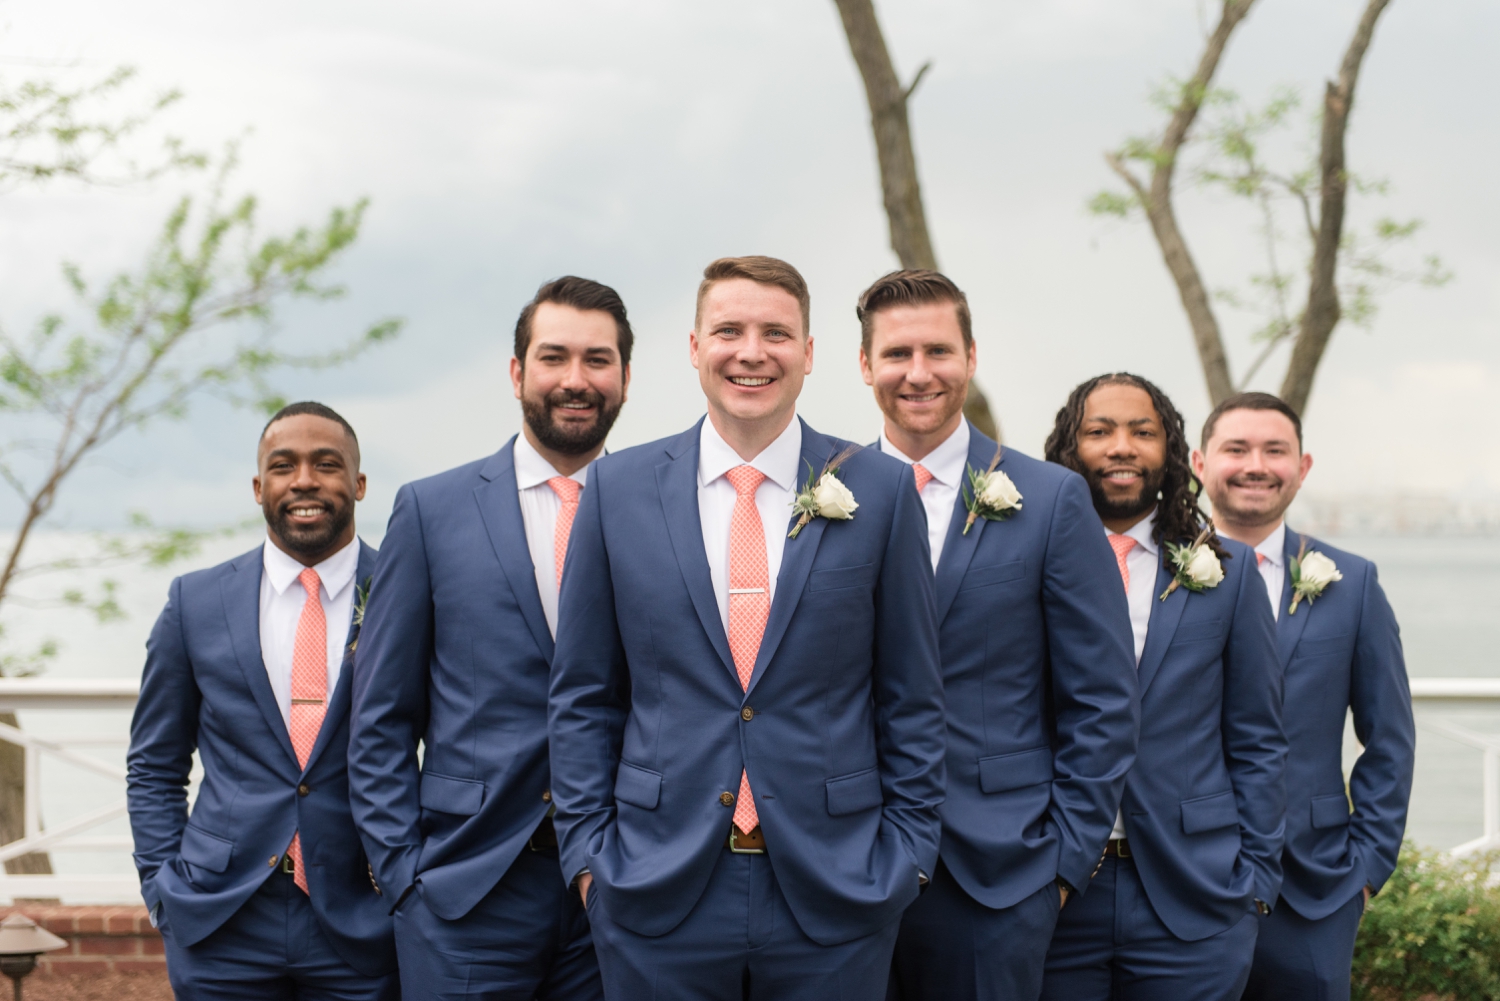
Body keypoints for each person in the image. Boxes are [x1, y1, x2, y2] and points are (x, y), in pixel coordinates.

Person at [547, 256, 946, 1001]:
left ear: (810, 353)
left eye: (776, 333)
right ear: (696, 347)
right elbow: (584, 694)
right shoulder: (617, 488)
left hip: (838, 885)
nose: (752, 352)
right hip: (653, 884)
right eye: (729, 330)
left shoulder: (883, 492)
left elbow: (912, 693)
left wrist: (909, 856)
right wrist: (590, 860)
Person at [856, 270, 1138, 1001]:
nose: (918, 373)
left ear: (971, 357)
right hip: (840, 862)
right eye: (896, 353)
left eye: (938, 350)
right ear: (864, 366)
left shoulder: (1051, 499)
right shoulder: (828, 494)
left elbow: (1103, 699)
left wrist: (1061, 864)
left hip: (997, 873)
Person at [349, 276, 631, 1000]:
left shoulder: (660, 511)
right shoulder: (431, 511)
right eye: (554, 357)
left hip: (625, 890)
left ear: (625, 377)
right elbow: (379, 715)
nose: (576, 379)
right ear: (516, 372)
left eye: (598, 359)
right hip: (464, 891)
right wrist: (406, 875)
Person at [127, 402, 395, 999]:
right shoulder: (194, 602)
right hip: (221, 921)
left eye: (326, 464)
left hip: (362, 914)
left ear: (359, 483)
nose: (304, 480)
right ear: (258, 486)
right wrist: (161, 888)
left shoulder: (406, 593)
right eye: (284, 465)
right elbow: (154, 763)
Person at [1039, 373, 1286, 1001]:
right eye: (1100, 431)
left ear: (1170, 449)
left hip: (1195, 898)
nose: (1122, 447)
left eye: (1142, 432)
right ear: (1071, 447)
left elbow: (1258, 739)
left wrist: (1253, 882)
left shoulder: (1227, 574)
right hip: (1054, 891)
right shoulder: (1026, 562)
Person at [1193, 392, 1414, 1001]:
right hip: (1180, 880)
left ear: (1303, 465)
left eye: (1275, 450)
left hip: (1313, 887)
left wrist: (1365, 870)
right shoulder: (1158, 574)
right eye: (1235, 449)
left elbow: (1388, 735)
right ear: (1198, 462)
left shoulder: (1354, 583)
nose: (1255, 464)